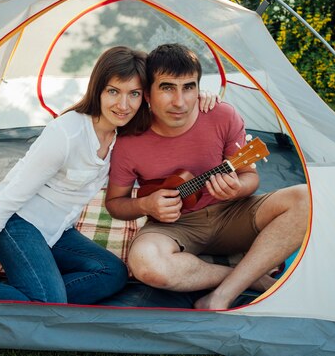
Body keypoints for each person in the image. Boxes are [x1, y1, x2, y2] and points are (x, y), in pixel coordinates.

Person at [0, 46, 218, 304]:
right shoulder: (66, 133)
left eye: (134, 94)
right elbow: (6, 200)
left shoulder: (126, 133)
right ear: (98, 89)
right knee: (47, 300)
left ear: (144, 96)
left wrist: (203, 99)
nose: (123, 104)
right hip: (18, 225)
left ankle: (38, 295)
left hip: (59, 229)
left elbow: (174, 104)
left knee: (113, 273)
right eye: (114, 91)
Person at [105, 43, 309, 310]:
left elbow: (250, 177)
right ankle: (249, 278)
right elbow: (114, 204)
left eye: (189, 87)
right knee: (146, 264)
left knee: (306, 197)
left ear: (199, 88)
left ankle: (220, 296)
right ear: (147, 94)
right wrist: (145, 205)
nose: (180, 101)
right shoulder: (129, 140)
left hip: (231, 214)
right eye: (167, 88)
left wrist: (236, 190)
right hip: (173, 226)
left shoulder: (222, 115)